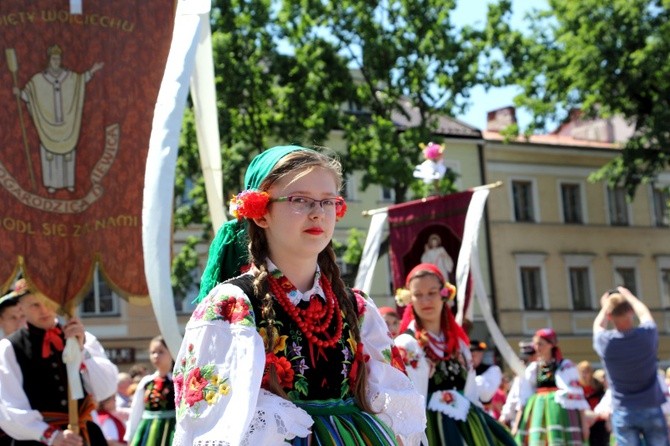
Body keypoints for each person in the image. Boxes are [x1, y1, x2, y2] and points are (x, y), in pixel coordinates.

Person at [172, 145, 427, 445]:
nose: (318, 212)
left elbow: (396, 403)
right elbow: (212, 421)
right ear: (261, 213)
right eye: (300, 200)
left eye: (327, 201)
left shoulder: (356, 306)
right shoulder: (233, 305)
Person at [393, 263, 515, 445]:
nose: (426, 300)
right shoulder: (406, 344)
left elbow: (471, 393)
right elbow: (404, 403)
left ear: (444, 294)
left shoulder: (459, 346)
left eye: (432, 293)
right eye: (418, 295)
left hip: (468, 426)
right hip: (428, 431)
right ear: (410, 299)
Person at [0, 279, 118, 445]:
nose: (44, 310)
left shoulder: (82, 337)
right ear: (21, 308)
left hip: (85, 436)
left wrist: (82, 351)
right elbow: (8, 408)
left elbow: (106, 389)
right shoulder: (9, 349)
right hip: (38, 440)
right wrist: (51, 436)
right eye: (35, 305)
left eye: (48, 302)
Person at [13, 44, 103, 193]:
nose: (56, 61)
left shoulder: (69, 77)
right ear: (49, 60)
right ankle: (52, 184)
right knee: (51, 156)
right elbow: (30, 95)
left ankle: (69, 183)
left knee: (68, 153)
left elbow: (80, 82)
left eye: (58, 58)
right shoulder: (39, 79)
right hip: (48, 126)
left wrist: (92, 71)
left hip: (67, 125)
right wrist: (19, 93)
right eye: (54, 59)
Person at [593, 286, 669, 445]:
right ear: (631, 311)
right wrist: (629, 296)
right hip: (651, 405)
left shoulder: (606, 343)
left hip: (623, 409)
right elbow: (644, 313)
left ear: (609, 315)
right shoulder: (647, 336)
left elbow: (598, 326)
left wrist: (606, 305)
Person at [514, 328, 590, 445]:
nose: (537, 347)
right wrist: (517, 424)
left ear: (551, 345)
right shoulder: (534, 368)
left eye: (540, 344)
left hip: (561, 413)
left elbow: (577, 397)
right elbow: (524, 397)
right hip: (538, 412)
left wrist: (584, 424)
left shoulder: (565, 366)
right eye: (535, 344)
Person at [125, 336, 175, 446]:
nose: (156, 356)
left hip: (171, 430)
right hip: (148, 431)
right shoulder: (146, 382)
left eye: (161, 352)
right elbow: (136, 410)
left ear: (171, 352)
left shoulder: (177, 381)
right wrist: (131, 436)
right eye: (153, 352)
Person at [499, 340, 536, 428]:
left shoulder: (535, 372)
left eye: (526, 360)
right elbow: (512, 399)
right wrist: (504, 417)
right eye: (522, 360)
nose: (522, 363)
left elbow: (524, 401)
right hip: (519, 420)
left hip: (533, 417)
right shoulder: (519, 378)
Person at [577, 360, 608, 446]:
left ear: (591, 373)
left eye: (587, 372)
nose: (584, 375)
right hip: (583, 420)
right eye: (582, 372)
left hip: (598, 420)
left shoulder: (598, 386)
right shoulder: (577, 388)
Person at [470, 340, 503, 411]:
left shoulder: (491, 370)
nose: (470, 359)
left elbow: (485, 394)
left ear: (481, 354)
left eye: (473, 356)